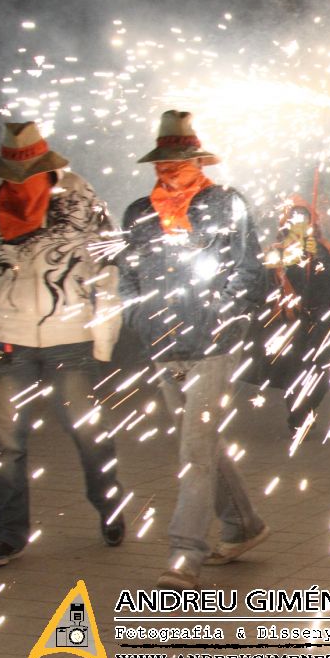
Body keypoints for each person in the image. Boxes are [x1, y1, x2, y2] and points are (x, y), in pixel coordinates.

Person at [118, 110, 268, 589]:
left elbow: (249, 272)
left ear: (198, 159)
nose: (171, 171)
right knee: (200, 445)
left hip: (212, 344)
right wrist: (137, 318)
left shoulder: (227, 204)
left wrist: (222, 315)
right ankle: (244, 525)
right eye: (164, 162)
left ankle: (185, 551)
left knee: (193, 452)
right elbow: (127, 276)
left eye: (180, 161)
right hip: (162, 346)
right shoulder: (139, 213)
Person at [0, 121, 125, 566]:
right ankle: (8, 533)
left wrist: (103, 338)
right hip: (9, 339)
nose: (17, 180)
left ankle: (110, 506)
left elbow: (107, 271)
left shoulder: (82, 200)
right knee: (6, 443)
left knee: (88, 433)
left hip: (71, 337)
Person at [258, 194, 330, 436]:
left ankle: (308, 410)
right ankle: (299, 417)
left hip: (322, 319)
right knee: (294, 372)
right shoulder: (275, 251)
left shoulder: (325, 248)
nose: (298, 222)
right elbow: (265, 285)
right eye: (293, 218)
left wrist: (318, 259)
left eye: (303, 217)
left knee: (325, 371)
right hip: (290, 321)